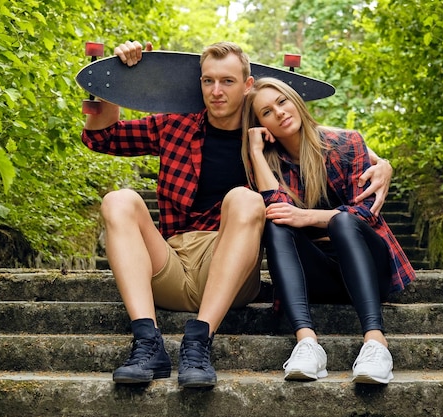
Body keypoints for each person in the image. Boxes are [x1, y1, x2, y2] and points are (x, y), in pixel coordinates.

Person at [81, 40, 393, 389]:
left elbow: (320, 141)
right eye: (208, 81)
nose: (216, 91)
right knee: (118, 200)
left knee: (245, 199)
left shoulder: (267, 136)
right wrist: (111, 80)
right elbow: (102, 138)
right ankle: (147, 343)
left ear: (247, 86)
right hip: (170, 262)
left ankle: (198, 342)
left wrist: (381, 161)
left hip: (231, 271)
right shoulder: (175, 126)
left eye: (227, 81)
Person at [241, 77, 416, 384]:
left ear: (296, 100)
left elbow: (365, 213)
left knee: (344, 221)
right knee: (277, 221)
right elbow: (277, 209)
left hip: (368, 271)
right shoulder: (267, 163)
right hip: (316, 277)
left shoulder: (347, 144)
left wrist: (307, 217)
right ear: (260, 125)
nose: (279, 113)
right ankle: (307, 343)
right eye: (266, 112)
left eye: (282, 102)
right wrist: (256, 152)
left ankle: (376, 342)